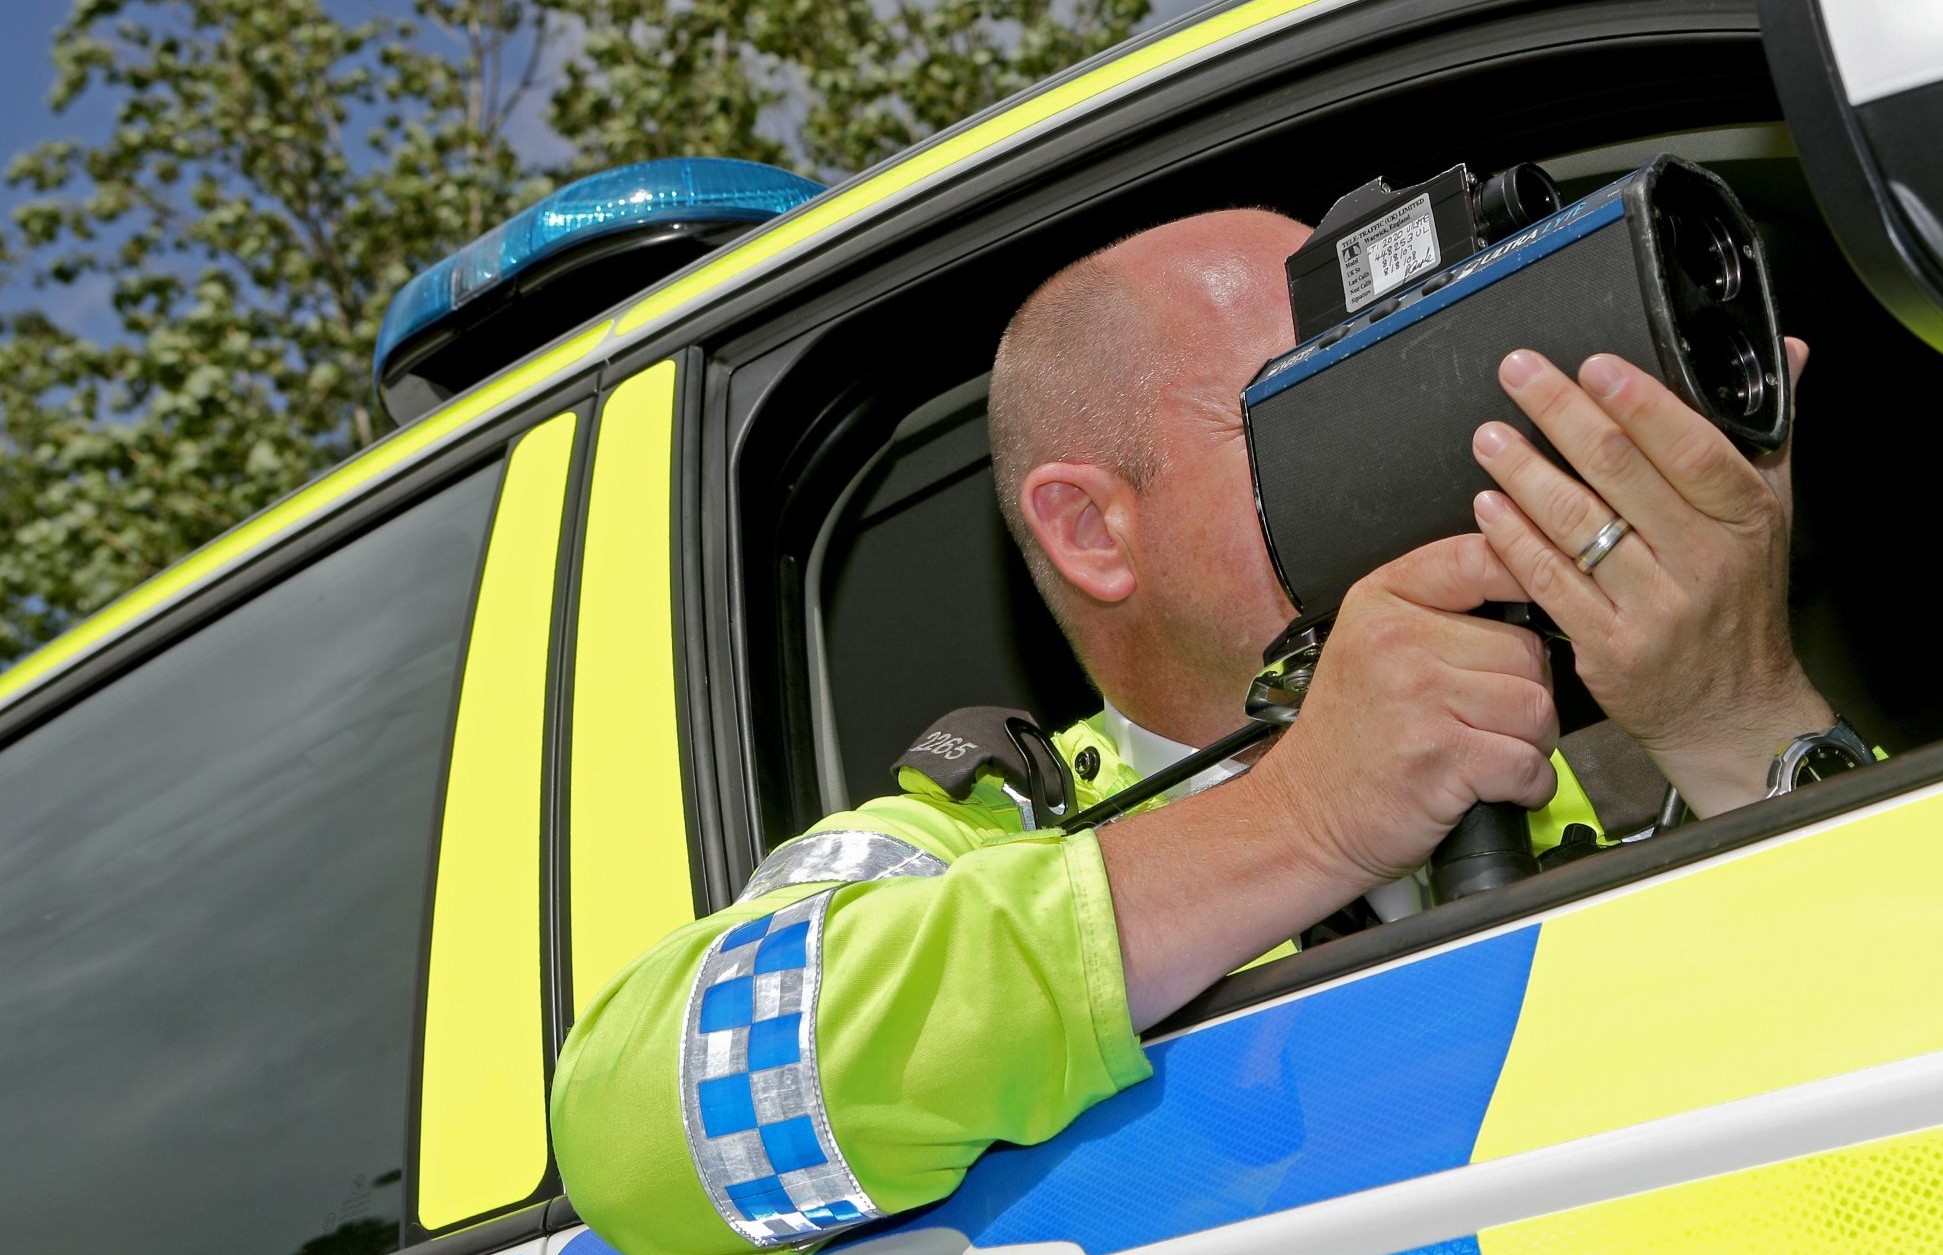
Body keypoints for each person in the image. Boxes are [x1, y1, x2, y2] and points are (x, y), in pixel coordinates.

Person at [549, 209, 1852, 1253]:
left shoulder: (1606, 777)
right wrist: (1299, 821)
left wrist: (1734, 715)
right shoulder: (964, 844)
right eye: (1303, 394)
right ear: (1092, 530)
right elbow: (636, 1130)